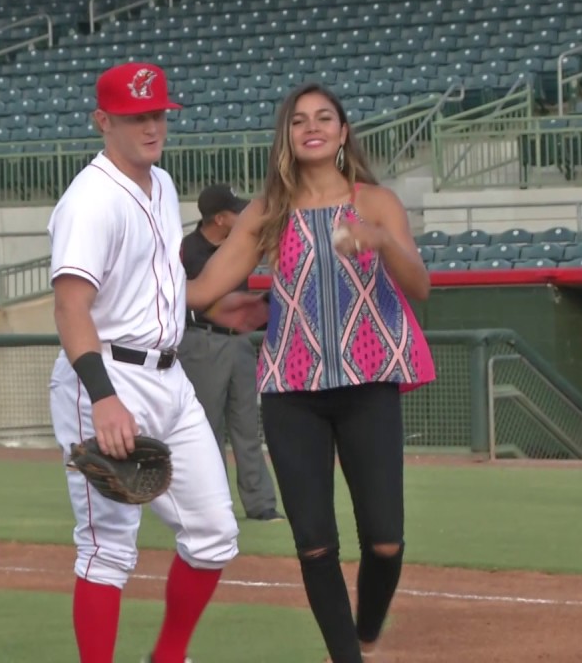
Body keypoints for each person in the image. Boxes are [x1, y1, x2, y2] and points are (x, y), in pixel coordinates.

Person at [182, 82, 436, 663]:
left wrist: (376, 240)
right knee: (315, 545)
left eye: (324, 118)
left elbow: (419, 285)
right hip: (291, 392)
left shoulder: (376, 203)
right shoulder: (266, 211)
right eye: (299, 120)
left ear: (343, 132)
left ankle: (365, 636)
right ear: (288, 136)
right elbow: (202, 290)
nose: (312, 127)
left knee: (386, 539)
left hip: (368, 385)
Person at [46, 61, 260, 663]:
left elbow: (176, 291)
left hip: (170, 375)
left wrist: (225, 308)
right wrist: (104, 396)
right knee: (108, 548)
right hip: (106, 377)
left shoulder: (161, 186)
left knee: (214, 535)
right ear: (102, 121)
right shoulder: (90, 201)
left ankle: (167, 658)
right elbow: (70, 308)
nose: (151, 125)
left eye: (159, 113)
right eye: (136, 115)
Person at [178, 184, 284, 523]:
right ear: (220, 219)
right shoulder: (189, 250)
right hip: (201, 341)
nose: (242, 216)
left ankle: (261, 505)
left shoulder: (240, 245)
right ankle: (212, 506)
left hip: (238, 341)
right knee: (206, 429)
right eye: (235, 211)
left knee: (247, 426)